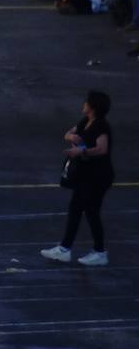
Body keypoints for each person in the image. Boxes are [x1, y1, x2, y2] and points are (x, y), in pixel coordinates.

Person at [42, 90, 112, 266]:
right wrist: (72, 137)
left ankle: (96, 251)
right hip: (86, 175)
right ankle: (68, 249)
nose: (84, 104)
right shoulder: (85, 122)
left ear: (93, 107)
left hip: (98, 176)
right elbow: (69, 133)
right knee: (79, 209)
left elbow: (102, 148)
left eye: (86, 102)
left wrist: (81, 151)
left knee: (89, 211)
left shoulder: (100, 126)